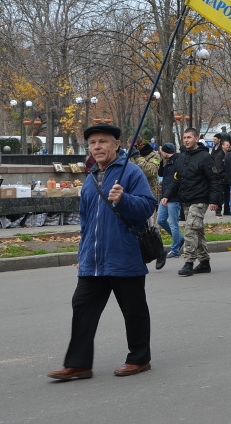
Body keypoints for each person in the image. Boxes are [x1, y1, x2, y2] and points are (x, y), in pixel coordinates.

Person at [47, 123, 157, 381]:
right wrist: (82, 254)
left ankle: (140, 358)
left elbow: (147, 207)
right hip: (93, 260)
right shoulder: (89, 179)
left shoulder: (131, 173)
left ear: (117, 145)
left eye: (103, 142)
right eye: (93, 143)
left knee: (133, 309)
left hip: (124, 255)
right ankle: (79, 364)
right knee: (82, 307)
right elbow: (85, 223)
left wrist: (125, 199)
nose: (97, 147)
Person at [162, 128, 221, 276]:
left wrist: (215, 200)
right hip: (186, 199)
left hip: (200, 199)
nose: (186, 140)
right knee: (197, 230)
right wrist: (167, 195)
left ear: (196, 139)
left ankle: (188, 262)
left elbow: (214, 179)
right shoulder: (181, 158)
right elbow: (176, 178)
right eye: (184, 138)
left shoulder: (205, 157)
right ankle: (204, 262)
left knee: (190, 230)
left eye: (189, 137)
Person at [157, 143, 183, 258]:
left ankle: (175, 249)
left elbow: (175, 181)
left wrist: (167, 195)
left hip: (173, 197)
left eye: (161, 151)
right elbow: (161, 173)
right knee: (160, 220)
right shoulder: (168, 162)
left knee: (173, 224)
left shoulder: (177, 162)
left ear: (164, 151)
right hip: (165, 196)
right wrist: (161, 161)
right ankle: (179, 239)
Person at [127, 137, 161, 203]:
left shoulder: (154, 155)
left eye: (134, 147)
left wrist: (138, 157)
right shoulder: (130, 156)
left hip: (148, 192)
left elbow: (152, 172)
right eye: (130, 147)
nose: (132, 149)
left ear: (141, 145)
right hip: (133, 192)